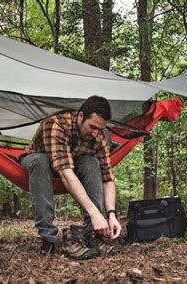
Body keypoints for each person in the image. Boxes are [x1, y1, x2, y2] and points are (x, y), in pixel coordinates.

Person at [20, 96, 122, 259]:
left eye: (100, 129)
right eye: (92, 127)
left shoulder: (99, 136)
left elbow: (107, 178)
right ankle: (48, 238)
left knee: (91, 162)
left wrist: (111, 214)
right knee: (41, 161)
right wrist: (96, 213)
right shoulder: (56, 124)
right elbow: (66, 175)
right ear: (81, 116)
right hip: (39, 159)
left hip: (73, 162)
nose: (96, 133)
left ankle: (93, 234)